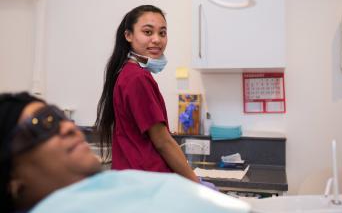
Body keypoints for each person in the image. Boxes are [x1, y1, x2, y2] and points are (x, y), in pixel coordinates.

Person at [0, 92, 250, 213]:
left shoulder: (115, 187)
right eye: (43, 125)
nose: (67, 127)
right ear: (11, 182)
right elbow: (162, 140)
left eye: (59, 116)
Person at [95, 5, 198, 182]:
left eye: (162, 33)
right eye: (148, 32)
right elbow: (162, 142)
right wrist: (196, 183)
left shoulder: (127, 73)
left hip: (134, 177)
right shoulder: (137, 78)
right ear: (128, 35)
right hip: (146, 179)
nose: (157, 40)